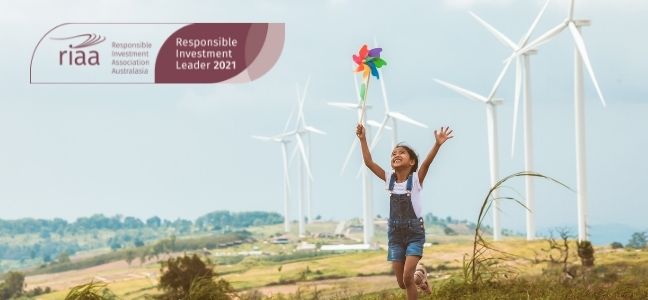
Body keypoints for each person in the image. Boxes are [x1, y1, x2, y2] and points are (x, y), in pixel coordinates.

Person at [356, 123, 453, 299]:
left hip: (414, 234)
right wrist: (362, 139)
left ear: (412, 161)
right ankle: (421, 277)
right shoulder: (388, 179)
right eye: (393, 153)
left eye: (401, 152)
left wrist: (437, 144)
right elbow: (369, 162)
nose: (396, 155)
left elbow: (427, 163)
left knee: (407, 277)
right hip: (395, 237)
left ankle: (417, 275)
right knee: (402, 282)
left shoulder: (416, 180)